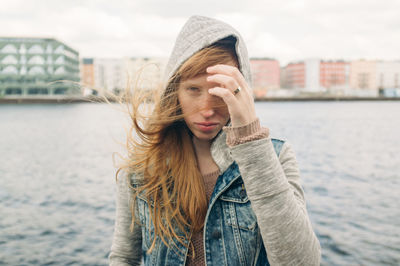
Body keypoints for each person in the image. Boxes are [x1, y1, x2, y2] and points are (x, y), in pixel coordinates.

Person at [109, 15, 321, 265]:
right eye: (193, 90)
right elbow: (123, 257)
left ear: (241, 90)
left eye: (219, 91)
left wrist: (251, 139)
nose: (207, 109)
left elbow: (302, 261)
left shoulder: (276, 157)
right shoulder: (142, 167)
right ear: (174, 91)